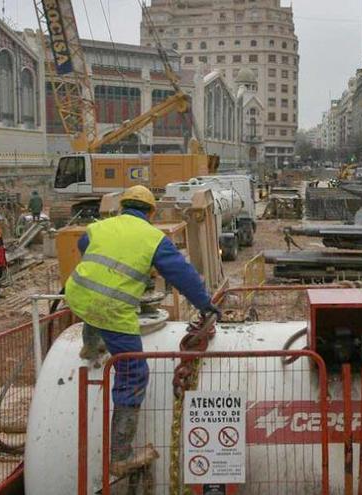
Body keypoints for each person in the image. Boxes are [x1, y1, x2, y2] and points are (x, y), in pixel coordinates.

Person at [65, 185, 221, 477]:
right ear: (151, 212)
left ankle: (91, 344)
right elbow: (182, 275)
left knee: (92, 308)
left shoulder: (101, 226)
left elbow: (84, 245)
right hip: (113, 309)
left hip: (78, 293)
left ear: (123, 207)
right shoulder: (153, 239)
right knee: (133, 372)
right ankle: (120, 456)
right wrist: (206, 305)